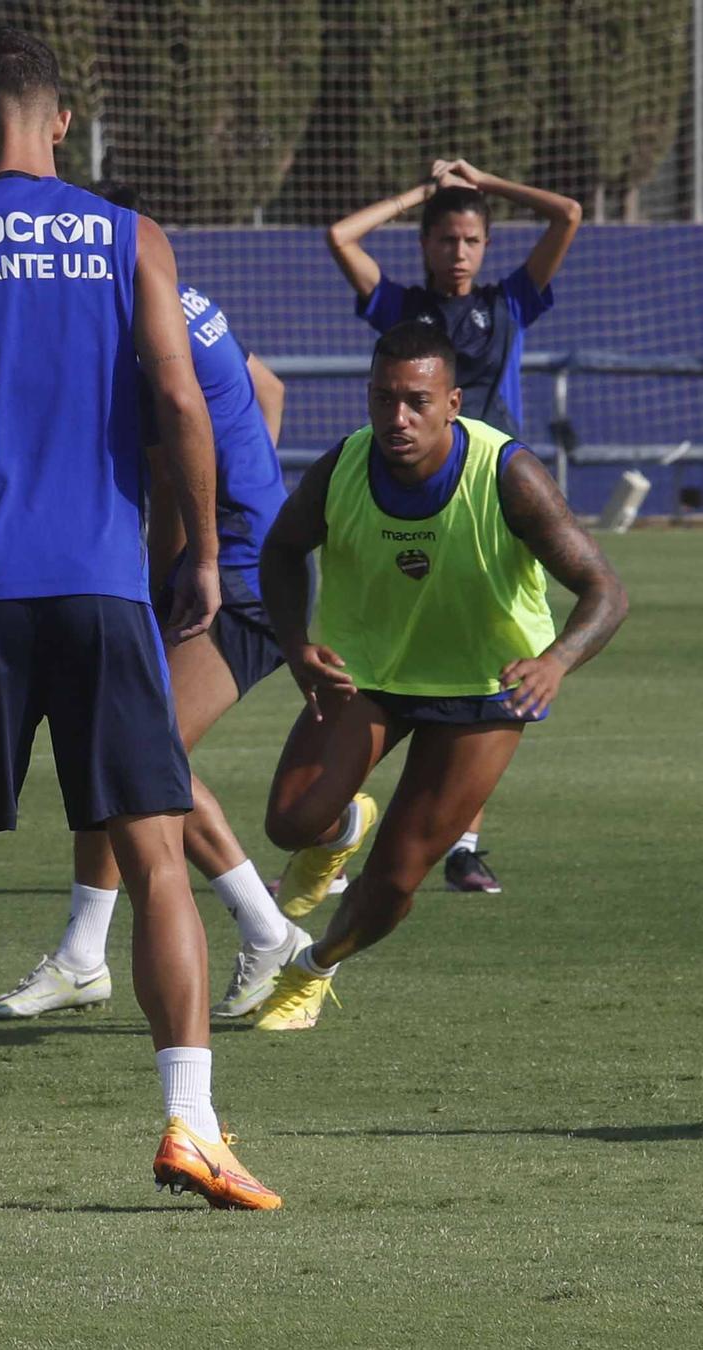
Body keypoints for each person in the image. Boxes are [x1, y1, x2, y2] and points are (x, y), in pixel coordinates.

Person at [0, 28, 280, 1212]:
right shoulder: (126, 237)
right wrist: (194, 545)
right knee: (154, 865)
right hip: (97, 588)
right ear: (61, 125)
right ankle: (189, 1127)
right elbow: (180, 395)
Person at [0, 181, 305, 1024]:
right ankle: (85, 953)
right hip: (249, 557)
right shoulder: (192, 305)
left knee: (144, 753)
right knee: (113, 742)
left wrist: (167, 587)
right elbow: (265, 390)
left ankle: (269, 931)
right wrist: (252, 486)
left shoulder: (135, 340)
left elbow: (166, 482)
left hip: (229, 576)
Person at [247, 322, 627, 1032]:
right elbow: (281, 551)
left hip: (483, 691)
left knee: (394, 880)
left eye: (417, 401)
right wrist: (296, 645)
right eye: (383, 399)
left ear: (453, 402)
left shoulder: (508, 475)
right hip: (371, 675)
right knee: (289, 821)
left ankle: (314, 967)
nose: (398, 418)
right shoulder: (344, 467)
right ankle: (336, 834)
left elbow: (606, 589)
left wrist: (555, 662)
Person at [323, 158, 584, 897]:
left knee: (482, 659)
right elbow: (340, 236)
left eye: (471, 239)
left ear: (485, 245)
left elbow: (566, 211)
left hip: (489, 504)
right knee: (389, 657)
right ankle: (340, 825)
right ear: (427, 244)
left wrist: (487, 183)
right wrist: (420, 194)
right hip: (403, 500)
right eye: (446, 238)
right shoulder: (403, 310)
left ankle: (463, 844)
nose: (459, 252)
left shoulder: (509, 304)